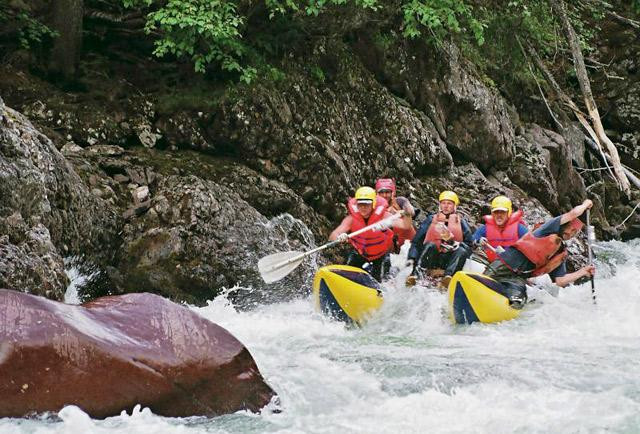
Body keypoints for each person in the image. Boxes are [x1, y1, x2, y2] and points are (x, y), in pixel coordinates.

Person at [484, 199, 596, 308]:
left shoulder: (560, 253)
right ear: (564, 224)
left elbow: (560, 281)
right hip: (502, 266)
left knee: (517, 301)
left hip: (518, 278)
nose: (570, 234)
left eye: (574, 232)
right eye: (570, 229)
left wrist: (583, 272)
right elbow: (574, 213)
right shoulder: (548, 228)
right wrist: (586, 204)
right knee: (484, 282)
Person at [330, 186, 412, 281]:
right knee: (348, 275)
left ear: (373, 204)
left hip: (380, 256)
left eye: (366, 204)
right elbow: (334, 235)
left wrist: (407, 215)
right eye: (360, 204)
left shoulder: (384, 216)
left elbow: (405, 225)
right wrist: (340, 237)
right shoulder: (351, 219)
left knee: (379, 281)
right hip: (360, 254)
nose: (363, 207)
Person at [406, 190, 473, 288]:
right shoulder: (431, 219)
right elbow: (417, 242)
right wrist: (411, 257)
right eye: (443, 203)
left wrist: (455, 244)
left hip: (448, 260)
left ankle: (448, 278)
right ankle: (416, 274)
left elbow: (469, 246)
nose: (446, 206)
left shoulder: (461, 223)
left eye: (449, 203)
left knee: (462, 250)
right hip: (432, 258)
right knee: (430, 245)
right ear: (440, 205)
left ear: (454, 206)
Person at [472, 195, 528, 263]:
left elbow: (530, 248)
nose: (499, 215)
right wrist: (478, 240)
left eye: (502, 212)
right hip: (488, 263)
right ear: (492, 213)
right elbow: (472, 239)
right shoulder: (485, 228)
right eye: (496, 212)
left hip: (510, 266)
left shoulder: (520, 229)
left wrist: (508, 254)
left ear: (509, 213)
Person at [375, 178, 416, 252]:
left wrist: (401, 212)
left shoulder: (400, 201)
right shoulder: (373, 205)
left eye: (387, 192)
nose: (384, 195)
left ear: (392, 193)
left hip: (405, 240)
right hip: (387, 241)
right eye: (381, 192)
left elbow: (411, 212)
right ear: (377, 194)